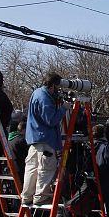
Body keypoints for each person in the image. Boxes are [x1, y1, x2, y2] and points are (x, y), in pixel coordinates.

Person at [21, 72, 68, 207]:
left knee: (31, 168)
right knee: (45, 168)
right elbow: (51, 120)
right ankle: (40, 197)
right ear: (53, 85)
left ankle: (27, 196)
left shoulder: (37, 93)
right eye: (58, 87)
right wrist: (63, 108)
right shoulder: (45, 99)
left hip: (34, 138)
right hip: (45, 139)